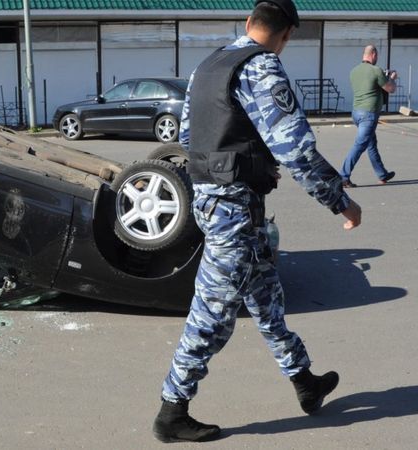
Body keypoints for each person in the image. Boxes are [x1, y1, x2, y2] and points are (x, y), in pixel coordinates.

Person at [152, 0, 363, 443]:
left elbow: (190, 137)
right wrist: (339, 200)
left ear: (249, 23)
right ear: (286, 35)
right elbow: (295, 148)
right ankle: (172, 410)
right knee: (212, 313)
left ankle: (305, 383)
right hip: (235, 210)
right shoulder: (262, 68)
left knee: (266, 298)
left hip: (213, 200)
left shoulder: (210, 65)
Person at [339, 45, 398, 187]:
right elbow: (391, 89)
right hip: (368, 114)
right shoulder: (376, 70)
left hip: (356, 112)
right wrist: (392, 78)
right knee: (359, 145)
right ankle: (343, 176)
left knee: (371, 144)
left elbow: (368, 86)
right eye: (376, 56)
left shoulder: (354, 71)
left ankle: (382, 174)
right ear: (373, 54)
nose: (377, 59)